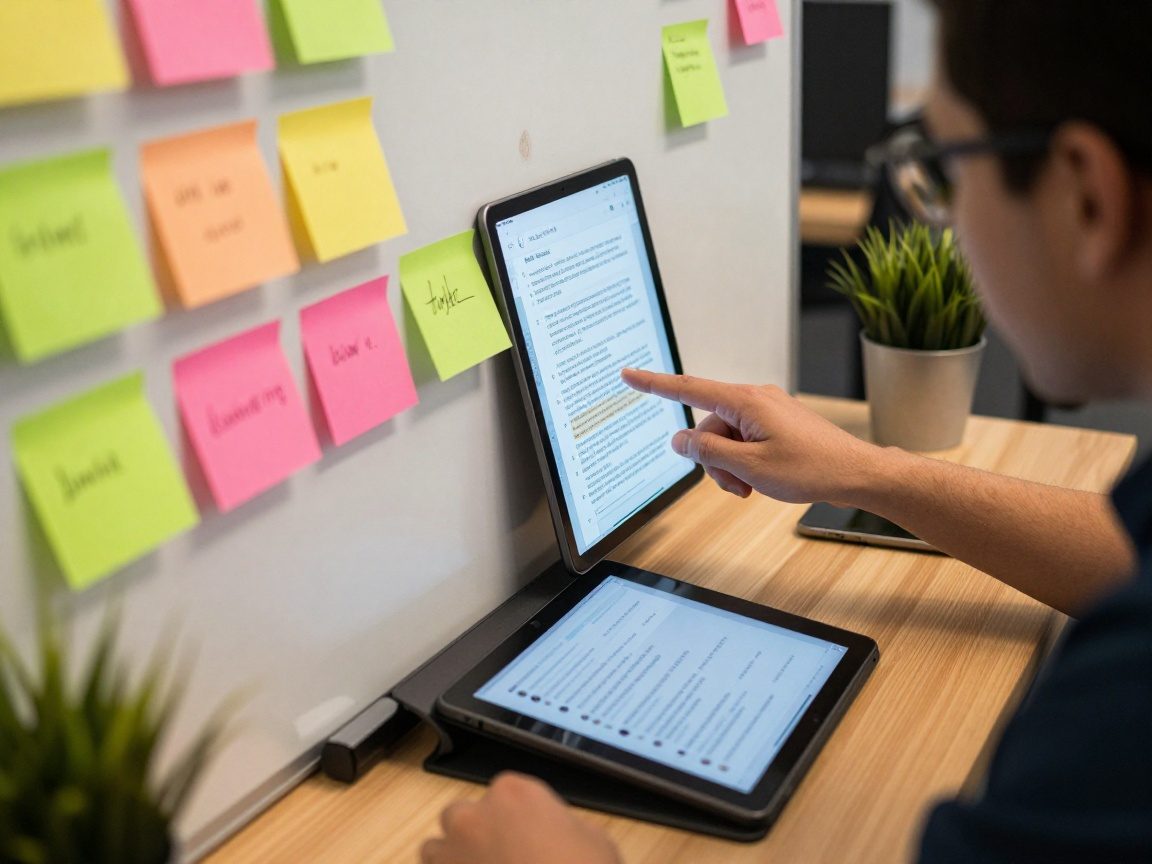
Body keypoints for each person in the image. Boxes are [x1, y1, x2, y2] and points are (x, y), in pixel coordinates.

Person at [420, 1, 1152, 861]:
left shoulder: (1118, 712)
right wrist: (870, 473)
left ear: (1087, 196)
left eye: (945, 169)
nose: (946, 219)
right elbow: (1128, 557)